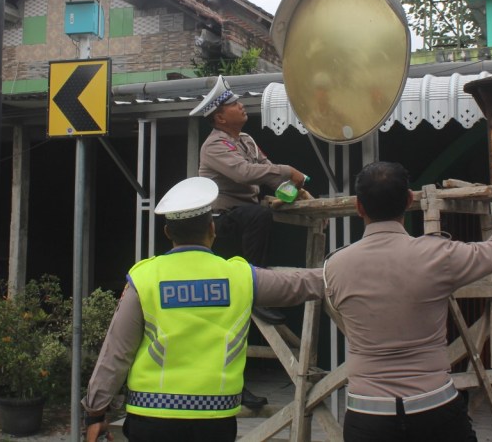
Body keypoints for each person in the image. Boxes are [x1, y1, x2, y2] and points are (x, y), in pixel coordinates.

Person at [83, 176, 323, 442]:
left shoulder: (144, 278)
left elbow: (115, 353)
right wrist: (351, 268)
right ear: (212, 229)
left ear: (168, 233)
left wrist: (95, 412)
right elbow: (302, 284)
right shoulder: (240, 276)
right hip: (215, 421)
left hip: (151, 418)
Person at [323, 161, 492, 442]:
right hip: (433, 408)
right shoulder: (438, 255)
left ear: (358, 206)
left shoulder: (335, 266)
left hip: (367, 414)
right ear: (409, 200)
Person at [193, 75, 310, 326]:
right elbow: (244, 172)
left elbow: (270, 175)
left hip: (245, 216)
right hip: (219, 220)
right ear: (220, 118)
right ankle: (255, 291)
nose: (241, 105)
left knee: (264, 213)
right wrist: (289, 170)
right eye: (234, 104)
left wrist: (294, 189)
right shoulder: (213, 145)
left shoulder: (247, 140)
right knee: (259, 215)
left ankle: (258, 283)